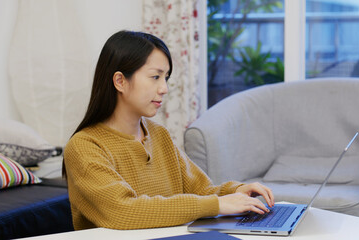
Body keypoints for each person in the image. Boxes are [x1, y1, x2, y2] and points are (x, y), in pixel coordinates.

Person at [63, 30, 275, 231]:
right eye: (155, 77)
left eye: (166, 78)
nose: (164, 88)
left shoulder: (158, 134)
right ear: (120, 81)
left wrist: (235, 191)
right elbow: (123, 210)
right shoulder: (84, 147)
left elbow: (201, 191)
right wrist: (218, 205)